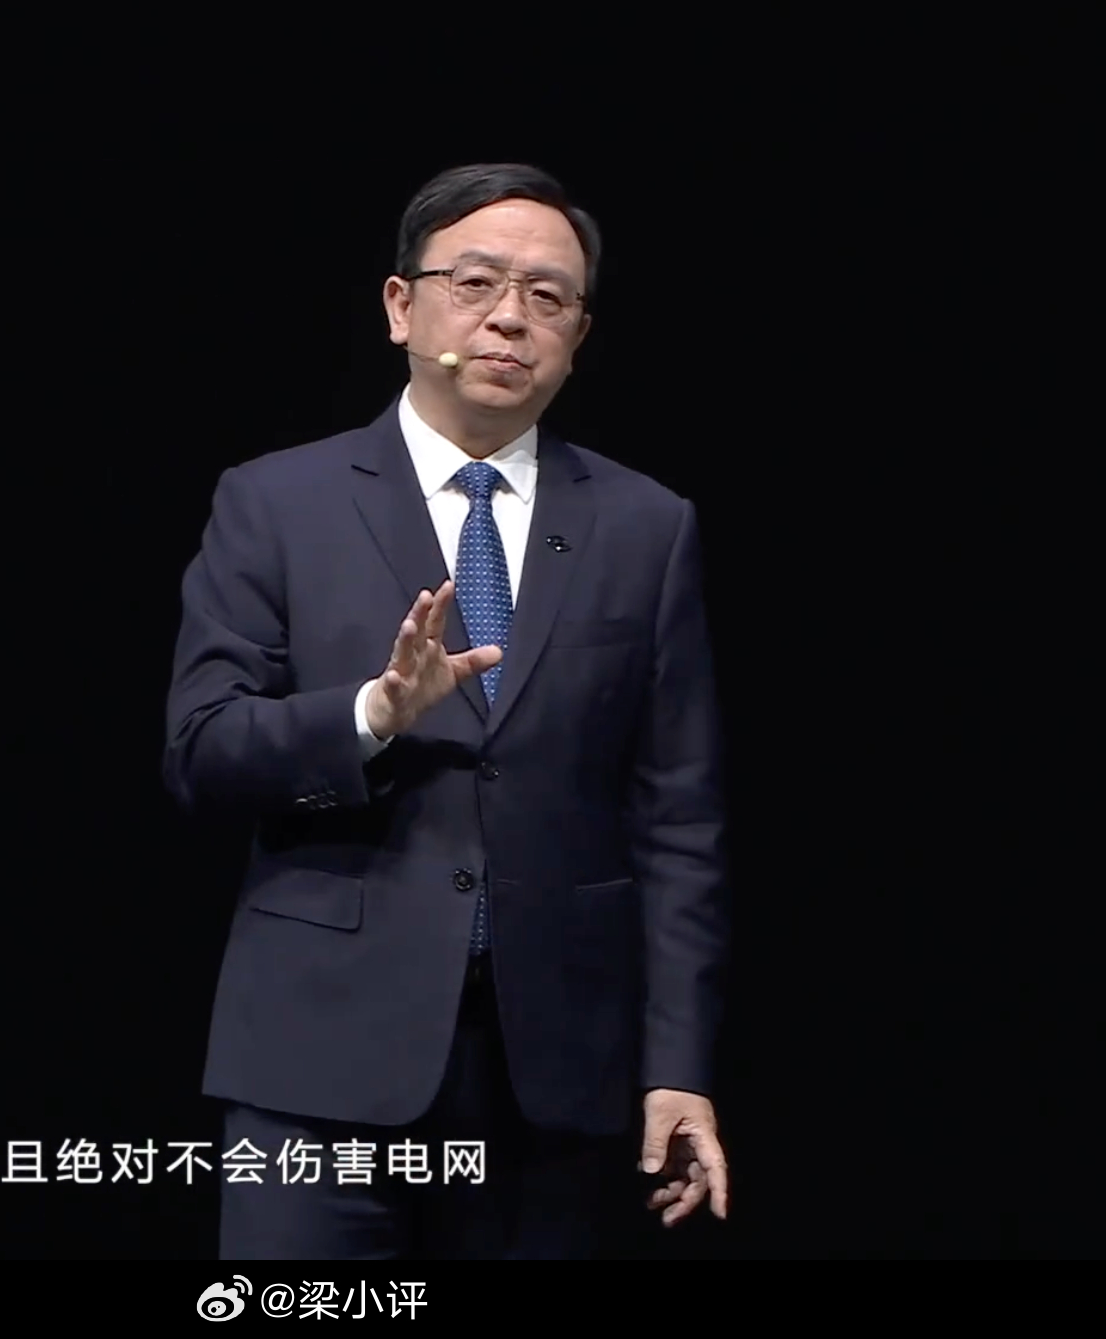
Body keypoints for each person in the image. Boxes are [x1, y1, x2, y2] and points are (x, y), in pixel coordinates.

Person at [162, 162, 730, 1260]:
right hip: (317, 1057)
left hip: (552, 1073)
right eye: (475, 282)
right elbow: (201, 751)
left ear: (577, 334)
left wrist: (676, 1066)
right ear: (399, 305)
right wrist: (372, 713)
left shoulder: (646, 526)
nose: (510, 317)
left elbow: (680, 823)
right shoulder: (276, 500)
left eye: (547, 296)